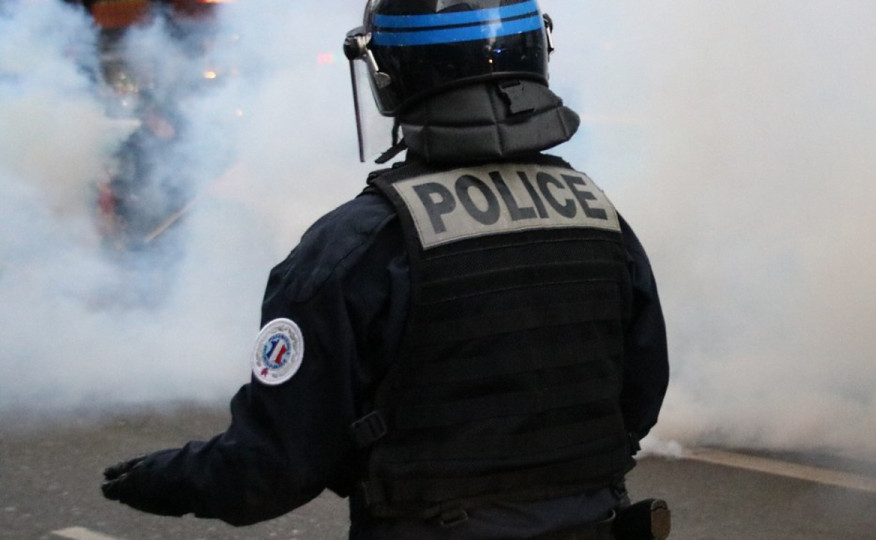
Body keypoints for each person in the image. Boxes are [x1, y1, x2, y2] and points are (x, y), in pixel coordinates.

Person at [100, 1, 670, 538]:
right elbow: (639, 399)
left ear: (390, 74)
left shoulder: (355, 247)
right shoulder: (599, 217)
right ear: (535, 54)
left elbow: (273, 466)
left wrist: (164, 479)